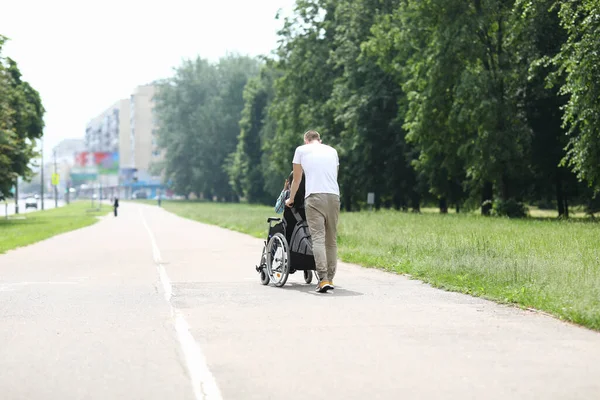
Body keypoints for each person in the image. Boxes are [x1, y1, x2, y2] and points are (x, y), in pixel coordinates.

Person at [286, 130, 340, 293]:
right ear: (319, 140)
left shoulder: (301, 150)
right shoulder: (332, 151)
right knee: (331, 240)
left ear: (306, 140)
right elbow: (334, 176)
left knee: (317, 238)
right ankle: (330, 277)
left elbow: (297, 179)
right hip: (334, 196)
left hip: (314, 197)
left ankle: (322, 279)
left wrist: (291, 199)